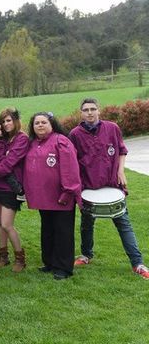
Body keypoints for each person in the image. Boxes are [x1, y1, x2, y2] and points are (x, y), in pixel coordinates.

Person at [69, 98, 149, 279]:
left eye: (93, 109)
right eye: (86, 110)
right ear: (81, 113)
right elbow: (72, 161)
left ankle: (137, 263)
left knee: (124, 224)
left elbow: (121, 150)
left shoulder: (112, 128)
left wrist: (121, 171)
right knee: (87, 224)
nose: (89, 112)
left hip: (112, 184)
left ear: (99, 111)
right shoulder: (75, 134)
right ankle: (86, 254)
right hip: (88, 186)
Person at [24, 112, 82, 280]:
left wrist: (68, 191)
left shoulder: (61, 141)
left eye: (44, 122)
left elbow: (70, 168)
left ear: (52, 124)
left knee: (63, 231)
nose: (40, 125)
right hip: (43, 197)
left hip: (61, 196)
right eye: (37, 123)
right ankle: (49, 262)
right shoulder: (33, 144)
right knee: (48, 230)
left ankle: (63, 267)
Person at [0, 107, 28, 272]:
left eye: (8, 120)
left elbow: (8, 165)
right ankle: (3, 256)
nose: (5, 124)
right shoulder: (2, 139)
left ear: (15, 121)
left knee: (7, 224)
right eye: (3, 121)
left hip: (10, 187)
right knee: (0, 224)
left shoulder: (21, 139)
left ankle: (20, 258)